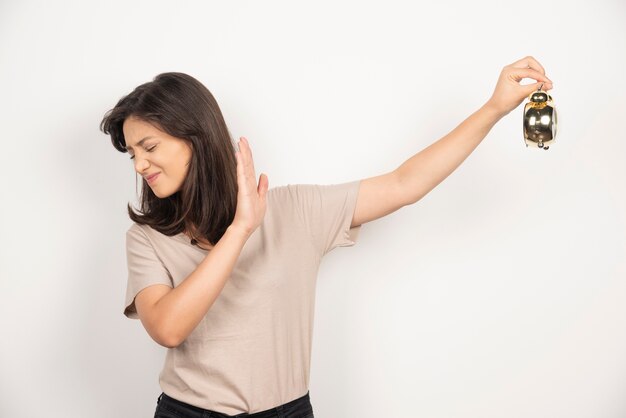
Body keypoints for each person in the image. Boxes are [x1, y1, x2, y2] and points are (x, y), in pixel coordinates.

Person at [99, 56, 553, 418]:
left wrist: (494, 107)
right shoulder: (147, 239)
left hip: (287, 411)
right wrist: (240, 229)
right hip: (188, 413)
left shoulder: (294, 210)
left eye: (150, 147)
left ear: (194, 138)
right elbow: (169, 328)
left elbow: (404, 184)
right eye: (133, 153)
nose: (139, 165)